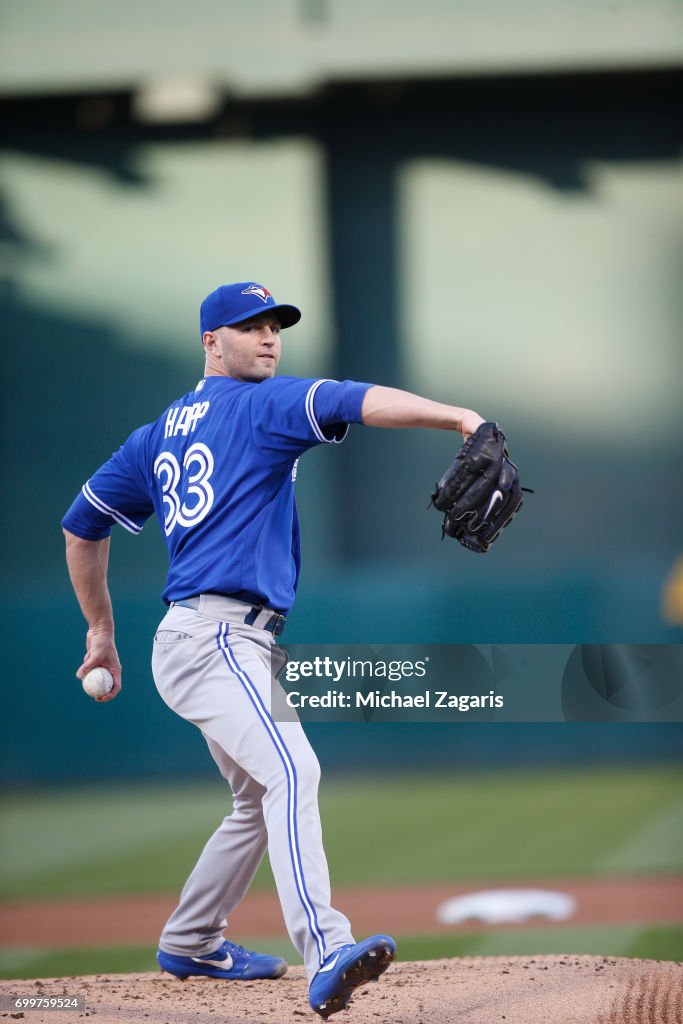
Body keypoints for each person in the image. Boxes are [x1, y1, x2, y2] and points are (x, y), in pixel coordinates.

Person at [62, 281, 485, 1018]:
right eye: (247, 326)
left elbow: (82, 524)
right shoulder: (260, 405)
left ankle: (191, 940)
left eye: (273, 325)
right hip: (214, 636)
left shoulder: (157, 431)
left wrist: (100, 629)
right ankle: (325, 948)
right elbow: (356, 400)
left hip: (218, 640)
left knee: (255, 798)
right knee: (294, 770)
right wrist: (458, 416)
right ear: (209, 342)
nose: (266, 337)